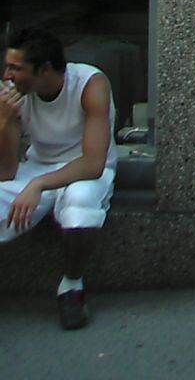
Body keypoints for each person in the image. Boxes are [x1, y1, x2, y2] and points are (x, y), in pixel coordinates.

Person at [0, 27, 116, 331]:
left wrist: (38, 185)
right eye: (7, 66)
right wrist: (3, 120)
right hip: (37, 167)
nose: (7, 75)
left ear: (45, 69)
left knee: (81, 201)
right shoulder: (14, 95)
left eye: (15, 68)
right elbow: (6, 173)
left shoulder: (90, 84)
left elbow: (93, 164)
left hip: (83, 169)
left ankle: (71, 287)